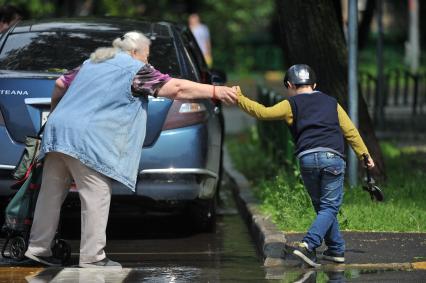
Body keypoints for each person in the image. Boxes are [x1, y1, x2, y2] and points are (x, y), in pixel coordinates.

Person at [24, 31, 238, 269]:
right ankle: (93, 257)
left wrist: (56, 115)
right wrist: (216, 91)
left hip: (58, 132)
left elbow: (59, 84)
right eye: (147, 55)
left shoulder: (93, 62)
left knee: (51, 192)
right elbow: (176, 89)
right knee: (97, 194)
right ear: (135, 52)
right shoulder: (136, 69)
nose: (149, 61)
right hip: (87, 138)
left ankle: (38, 248)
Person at [236, 64, 375, 267]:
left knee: (323, 207)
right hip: (333, 158)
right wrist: (365, 155)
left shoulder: (290, 104)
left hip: (307, 159)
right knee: (329, 207)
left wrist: (239, 98)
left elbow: (263, 113)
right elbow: (350, 131)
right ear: (314, 84)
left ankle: (336, 250)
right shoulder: (332, 103)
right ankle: (308, 245)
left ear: (290, 85)